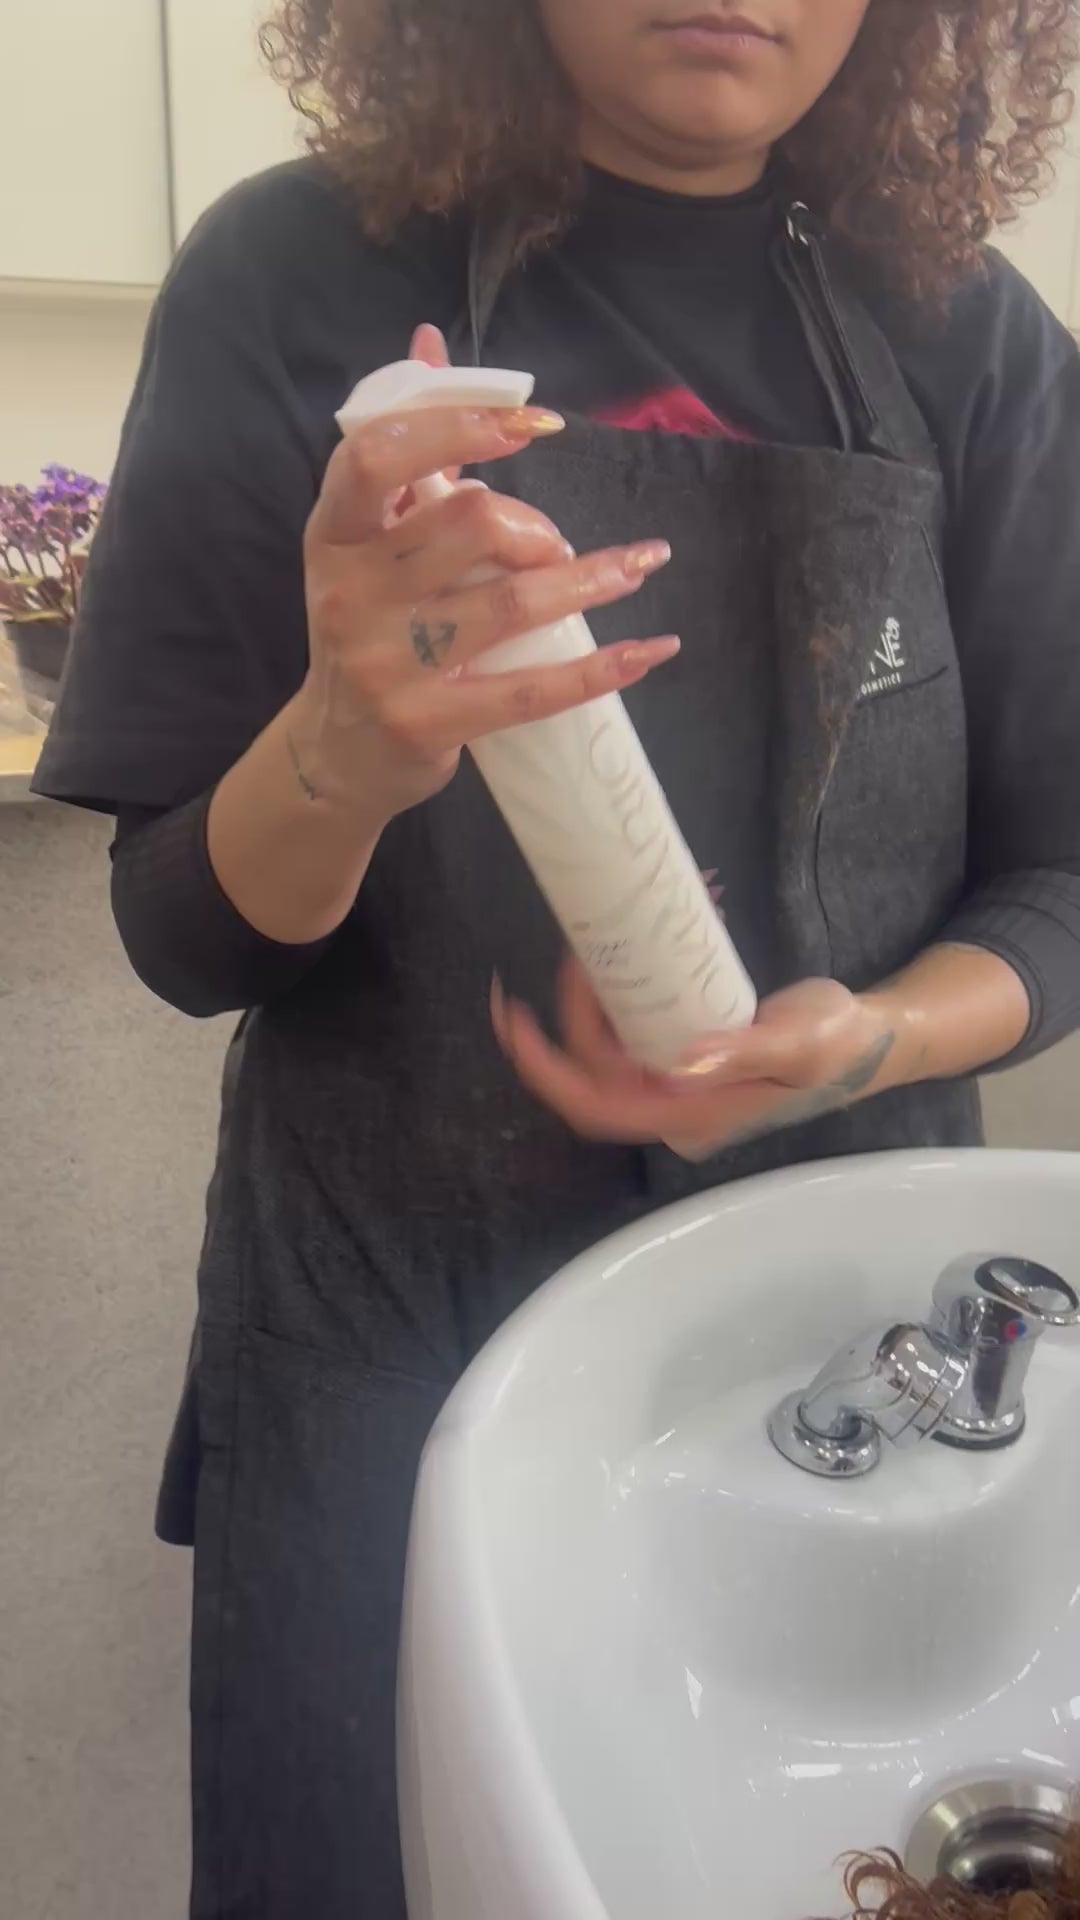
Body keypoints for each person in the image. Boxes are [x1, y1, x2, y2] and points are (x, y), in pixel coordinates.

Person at [32, 0, 1080, 1913]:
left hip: (827, 1356)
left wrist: (868, 1036)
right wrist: (343, 749)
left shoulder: (971, 338)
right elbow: (182, 934)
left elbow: (1063, 876)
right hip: (389, 1336)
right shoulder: (294, 277)